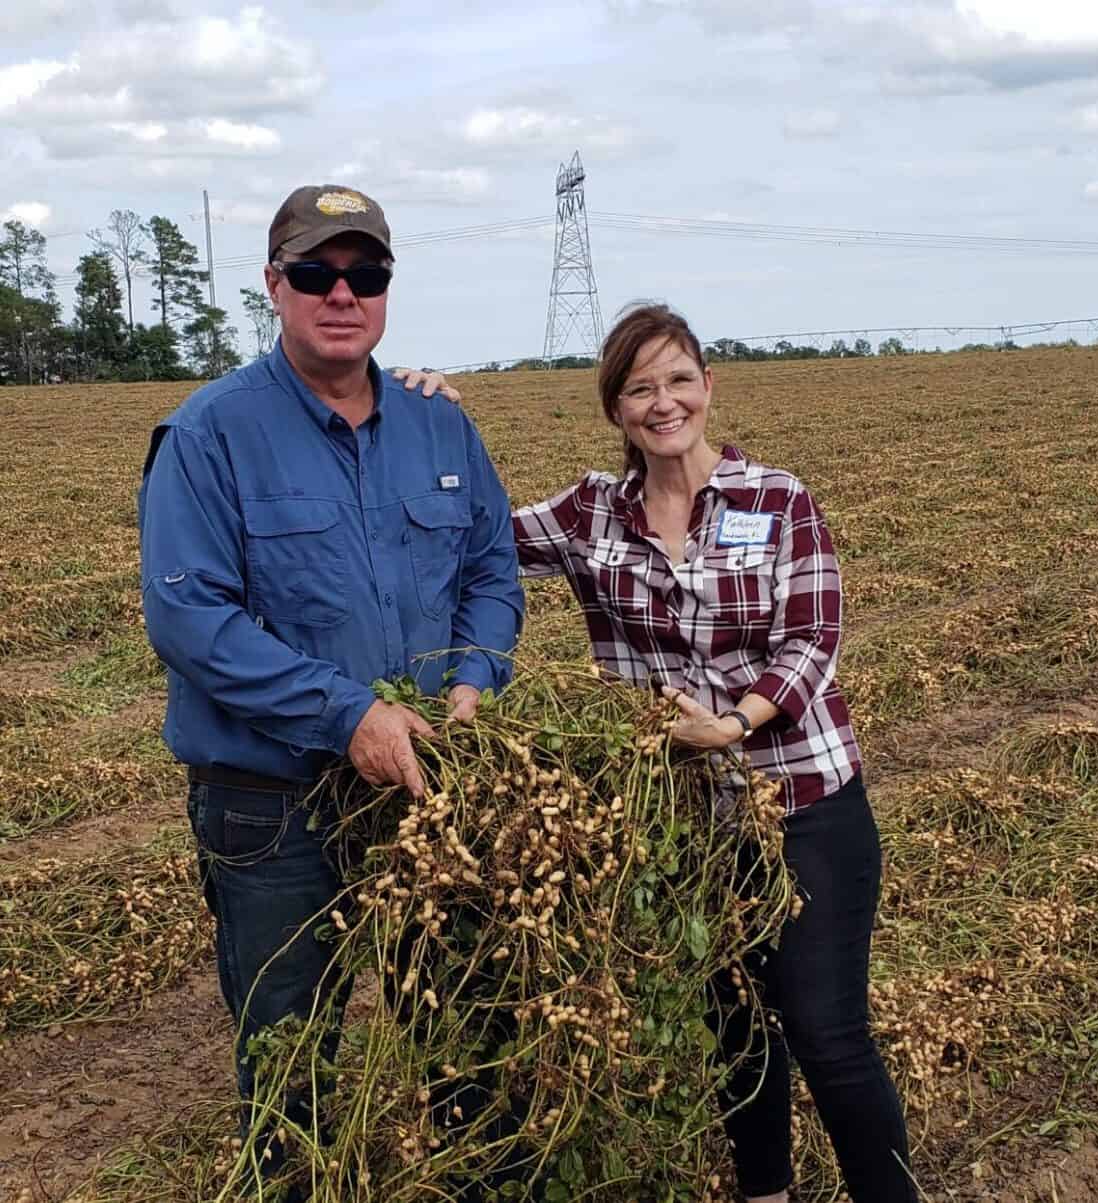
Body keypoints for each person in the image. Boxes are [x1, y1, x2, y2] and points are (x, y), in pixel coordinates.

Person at [402, 302, 914, 1201]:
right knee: (737, 1026)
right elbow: (477, 537)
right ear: (615, 410)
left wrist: (737, 721)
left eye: (678, 379)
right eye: (639, 388)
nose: (662, 401)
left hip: (802, 801)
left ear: (708, 388)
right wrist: (439, 421)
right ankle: (766, 1193)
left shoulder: (775, 497)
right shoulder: (589, 513)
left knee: (827, 1031)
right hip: (687, 823)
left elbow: (812, 635)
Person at [138, 185, 524, 1164]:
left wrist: (476, 676)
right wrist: (348, 715)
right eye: (315, 271)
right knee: (289, 1066)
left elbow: (490, 569)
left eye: (365, 273)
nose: (340, 292)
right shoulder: (210, 433)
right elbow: (190, 618)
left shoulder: (442, 428)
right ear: (274, 285)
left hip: (432, 781)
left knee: (470, 1038)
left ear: (387, 288)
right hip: (273, 805)